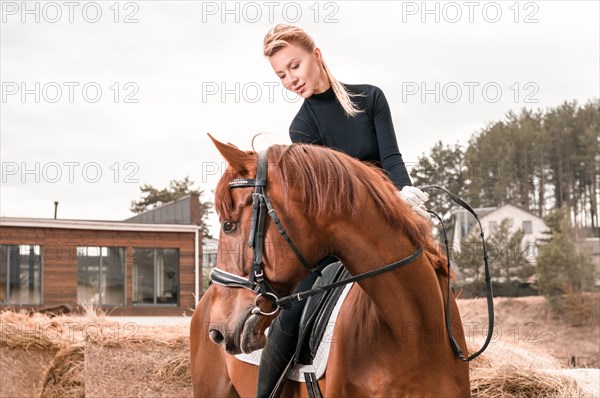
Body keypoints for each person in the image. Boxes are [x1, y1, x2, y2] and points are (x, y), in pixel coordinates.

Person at [257, 24, 429, 397]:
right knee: (294, 311)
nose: (290, 79)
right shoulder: (301, 126)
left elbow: (392, 158)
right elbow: (333, 197)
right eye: (281, 75)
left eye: (294, 66)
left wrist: (404, 193)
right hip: (338, 237)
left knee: (435, 266)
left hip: (389, 217)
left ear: (316, 56)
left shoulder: (370, 98)